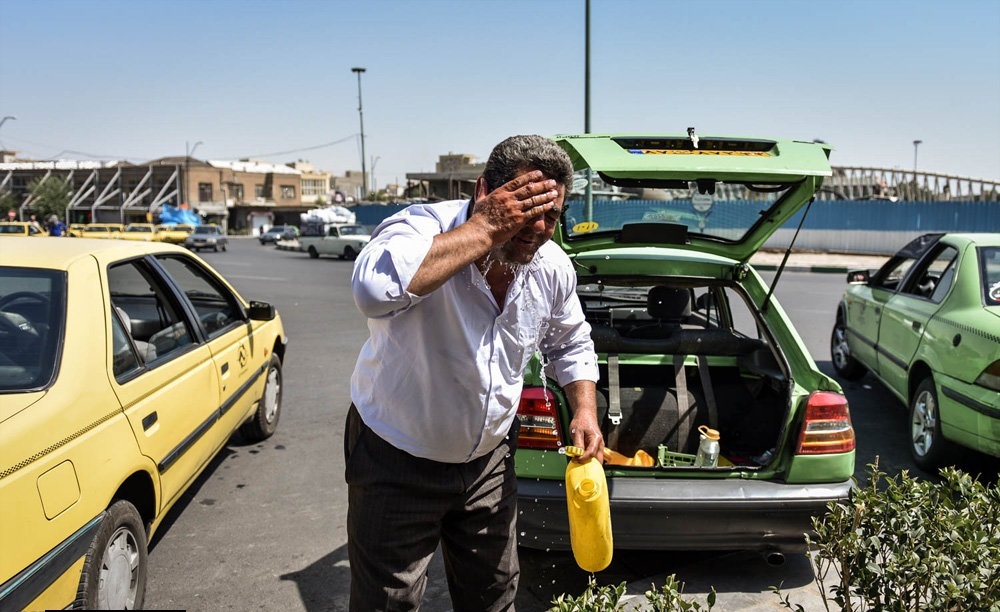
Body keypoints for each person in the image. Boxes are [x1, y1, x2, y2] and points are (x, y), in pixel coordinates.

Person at [346, 135, 603, 611]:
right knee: (387, 602)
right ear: (486, 190)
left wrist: (584, 408)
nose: (539, 227)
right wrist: (486, 229)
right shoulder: (423, 227)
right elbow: (373, 291)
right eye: (527, 207)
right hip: (396, 458)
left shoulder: (550, 265)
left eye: (553, 214)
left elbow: (570, 340)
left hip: (488, 462)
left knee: (493, 596)